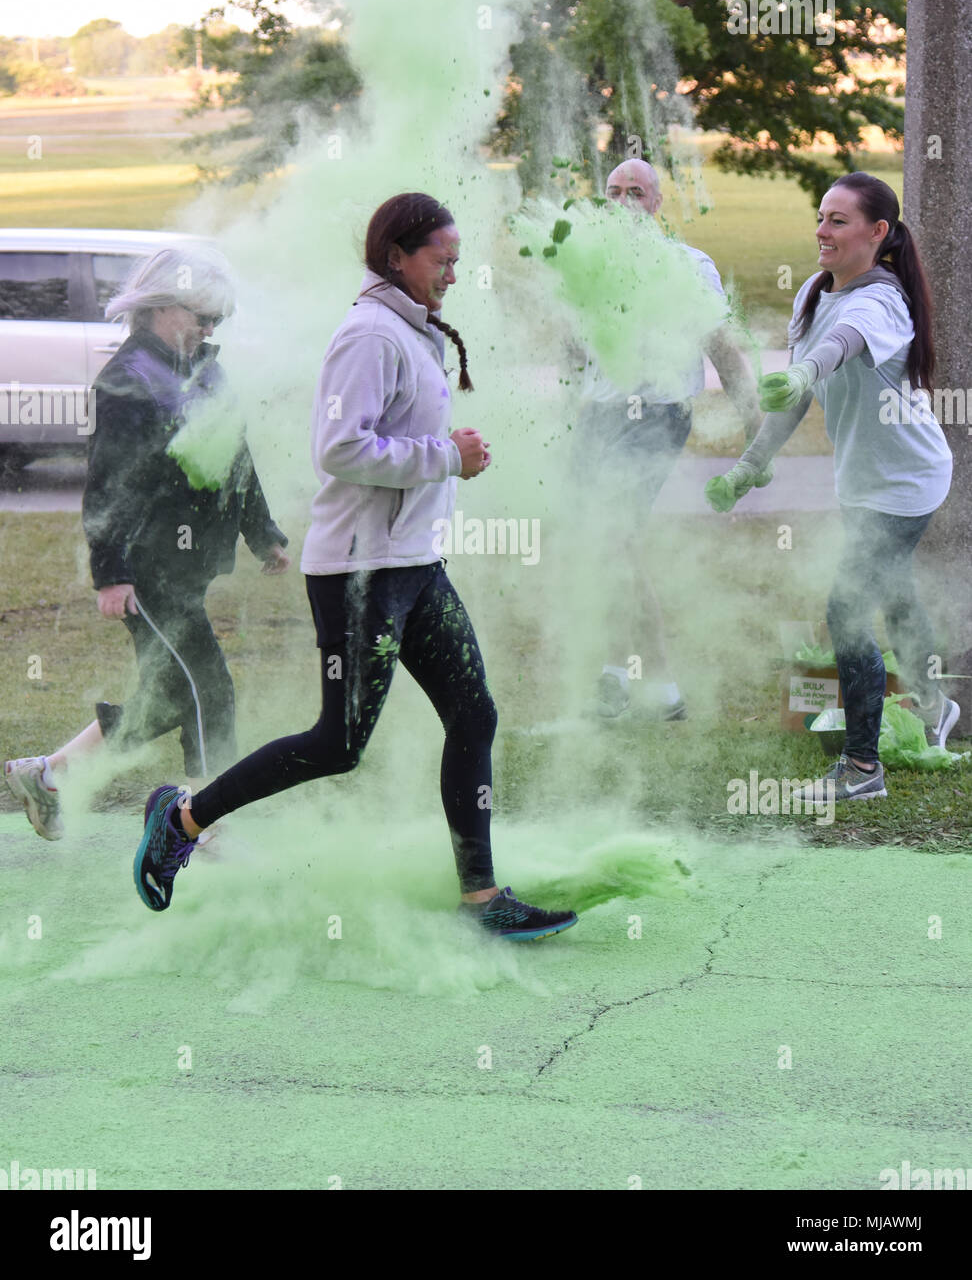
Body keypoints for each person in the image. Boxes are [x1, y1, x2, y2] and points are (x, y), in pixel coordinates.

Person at [133, 193, 578, 941]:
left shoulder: (412, 330)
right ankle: (181, 818)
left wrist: (442, 456)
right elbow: (339, 448)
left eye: (457, 261)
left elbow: (393, 437)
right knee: (338, 744)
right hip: (360, 574)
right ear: (397, 257)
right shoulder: (370, 334)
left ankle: (481, 900)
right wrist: (446, 458)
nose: (453, 275)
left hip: (413, 565)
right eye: (442, 260)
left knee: (474, 715)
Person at [4, 245, 290, 841]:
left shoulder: (205, 368)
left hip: (187, 568)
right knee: (208, 691)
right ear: (161, 307)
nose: (211, 329)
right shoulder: (127, 380)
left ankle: (46, 775)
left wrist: (263, 533)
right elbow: (110, 484)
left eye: (218, 320)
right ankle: (207, 827)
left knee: (167, 697)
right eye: (201, 315)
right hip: (148, 571)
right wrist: (111, 571)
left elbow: (234, 454)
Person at [706, 170, 958, 799]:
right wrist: (749, 464)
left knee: (846, 609)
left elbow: (839, 350)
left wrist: (805, 371)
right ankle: (933, 706)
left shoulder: (883, 302)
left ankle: (863, 768)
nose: (822, 231)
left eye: (838, 221)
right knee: (893, 590)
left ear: (877, 233)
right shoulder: (815, 294)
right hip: (864, 482)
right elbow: (796, 395)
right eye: (820, 217)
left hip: (907, 482)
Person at [570, 158, 762, 720]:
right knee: (605, 547)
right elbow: (577, 351)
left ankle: (658, 686)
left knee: (613, 537)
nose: (624, 200)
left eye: (637, 192)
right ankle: (620, 678)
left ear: (656, 204)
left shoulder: (688, 265)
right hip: (600, 417)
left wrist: (755, 425)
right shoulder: (588, 262)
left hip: (657, 415)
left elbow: (723, 349)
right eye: (614, 191)